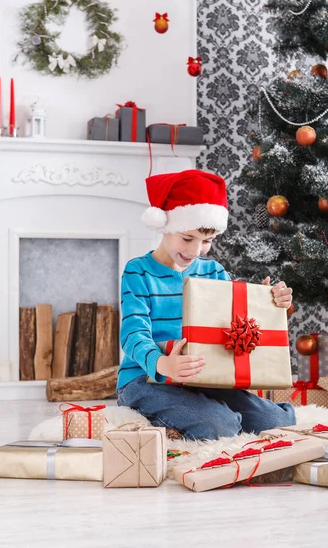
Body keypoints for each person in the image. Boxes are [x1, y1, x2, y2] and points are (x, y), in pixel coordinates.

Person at [117, 169, 295, 440]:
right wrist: (163, 364)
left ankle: (200, 412)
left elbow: (232, 325)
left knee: (277, 421)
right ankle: (171, 421)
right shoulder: (138, 271)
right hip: (145, 378)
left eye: (207, 241)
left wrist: (269, 301)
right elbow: (132, 334)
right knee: (220, 426)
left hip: (203, 377)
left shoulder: (213, 271)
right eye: (187, 238)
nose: (196, 250)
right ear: (164, 225)